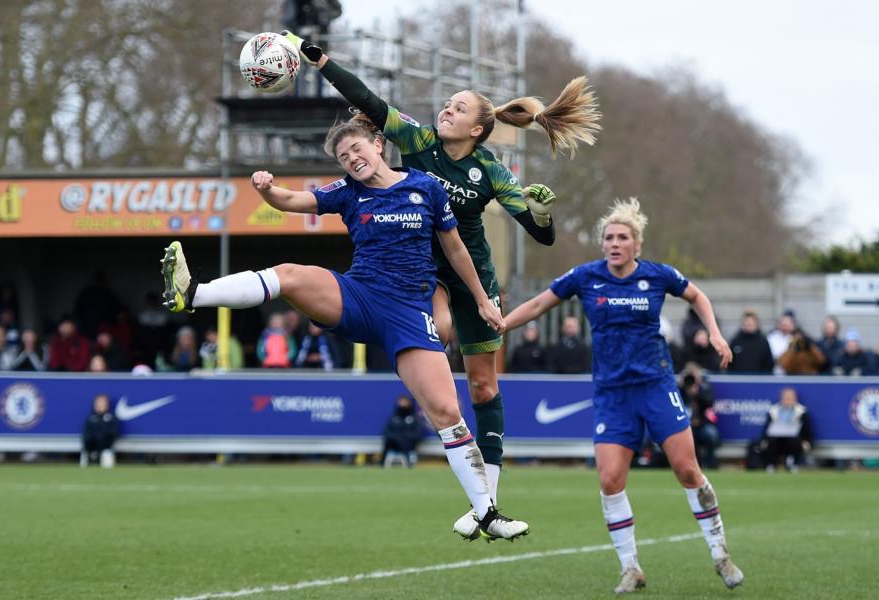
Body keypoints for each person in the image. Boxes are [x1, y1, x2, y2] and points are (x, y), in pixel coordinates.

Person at [282, 31, 600, 539]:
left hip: (474, 276)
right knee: (437, 348)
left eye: (457, 108)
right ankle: (476, 492)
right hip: (419, 275)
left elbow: (540, 236)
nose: (445, 111)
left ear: (478, 127)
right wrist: (320, 61)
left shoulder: (492, 171)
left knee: (484, 384)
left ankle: (487, 504)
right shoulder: (418, 140)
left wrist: (543, 212)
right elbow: (368, 101)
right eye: (447, 104)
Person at [159, 115, 527, 541]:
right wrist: (266, 189)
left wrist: (482, 299)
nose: (352, 159)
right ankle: (193, 292)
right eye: (342, 156)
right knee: (290, 274)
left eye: (357, 149)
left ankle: (487, 513)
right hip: (359, 295)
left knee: (447, 413)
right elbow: (294, 201)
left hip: (409, 312)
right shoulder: (348, 194)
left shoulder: (425, 187)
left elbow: (456, 248)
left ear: (378, 145)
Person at [502, 198, 743, 592]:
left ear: (637, 244)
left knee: (687, 470)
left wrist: (714, 333)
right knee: (610, 479)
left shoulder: (657, 276)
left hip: (656, 387)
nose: (614, 243)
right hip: (612, 395)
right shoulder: (585, 276)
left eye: (622, 237)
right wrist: (502, 325)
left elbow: (697, 296)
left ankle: (720, 554)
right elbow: (539, 303)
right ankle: (630, 567)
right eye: (609, 237)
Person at [760, 387, 813, 473]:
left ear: (795, 398)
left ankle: (792, 464)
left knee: (795, 441)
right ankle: (771, 465)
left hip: (793, 440)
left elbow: (807, 431)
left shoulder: (801, 412)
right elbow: (766, 430)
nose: (787, 400)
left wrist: (807, 442)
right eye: (785, 397)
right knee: (771, 441)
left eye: (790, 397)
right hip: (776, 440)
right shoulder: (773, 411)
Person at [679, 363, 720, 469]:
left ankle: (711, 464)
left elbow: (710, 403)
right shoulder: (680, 390)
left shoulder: (704, 388)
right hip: (685, 425)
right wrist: (683, 388)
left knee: (711, 434)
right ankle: (691, 466)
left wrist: (697, 393)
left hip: (702, 424)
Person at [381, 395, 425, 468]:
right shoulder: (394, 418)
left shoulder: (414, 418)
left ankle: (408, 463)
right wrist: (397, 437)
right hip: (394, 444)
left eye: (405, 402)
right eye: (401, 402)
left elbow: (418, 433)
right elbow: (386, 432)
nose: (403, 405)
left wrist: (404, 437)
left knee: (404, 442)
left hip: (408, 444)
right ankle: (382, 464)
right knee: (389, 442)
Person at [727, 309, 774, 374]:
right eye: (746, 321)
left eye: (751, 321)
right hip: (738, 380)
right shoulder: (735, 341)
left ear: (756, 323)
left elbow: (769, 364)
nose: (748, 324)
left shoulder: (763, 342)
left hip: (758, 381)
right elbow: (729, 363)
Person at [81, 393, 119, 468]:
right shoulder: (90, 418)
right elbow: (86, 433)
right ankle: (90, 458)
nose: (100, 406)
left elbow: (114, 433)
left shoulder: (110, 418)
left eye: (102, 403)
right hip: (91, 447)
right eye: (98, 403)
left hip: (106, 447)